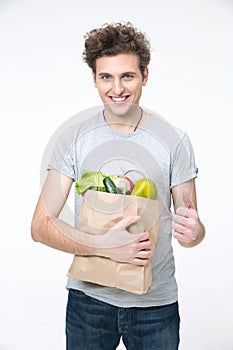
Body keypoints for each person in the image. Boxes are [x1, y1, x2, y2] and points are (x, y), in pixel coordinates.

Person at [31, 22, 205, 350]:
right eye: (106, 77)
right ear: (94, 79)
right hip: (88, 302)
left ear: (145, 75)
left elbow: (192, 232)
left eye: (127, 76)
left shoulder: (174, 141)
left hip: (155, 304)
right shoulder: (74, 139)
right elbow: (40, 226)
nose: (117, 88)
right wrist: (104, 247)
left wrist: (194, 231)